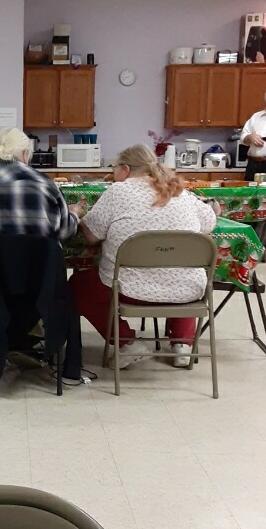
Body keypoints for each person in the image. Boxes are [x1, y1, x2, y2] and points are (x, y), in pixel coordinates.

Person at [68, 144, 217, 369]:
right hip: (187, 290)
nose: (113, 174)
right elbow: (209, 222)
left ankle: (127, 343)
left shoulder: (118, 192)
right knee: (179, 270)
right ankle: (182, 345)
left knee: (79, 286)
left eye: (114, 168)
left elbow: (91, 236)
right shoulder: (179, 191)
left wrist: (77, 215)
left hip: (128, 290)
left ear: (126, 169)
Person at [0, 127, 79, 249]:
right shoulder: (46, 184)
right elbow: (65, 232)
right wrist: (74, 214)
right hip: (36, 262)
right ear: (25, 153)